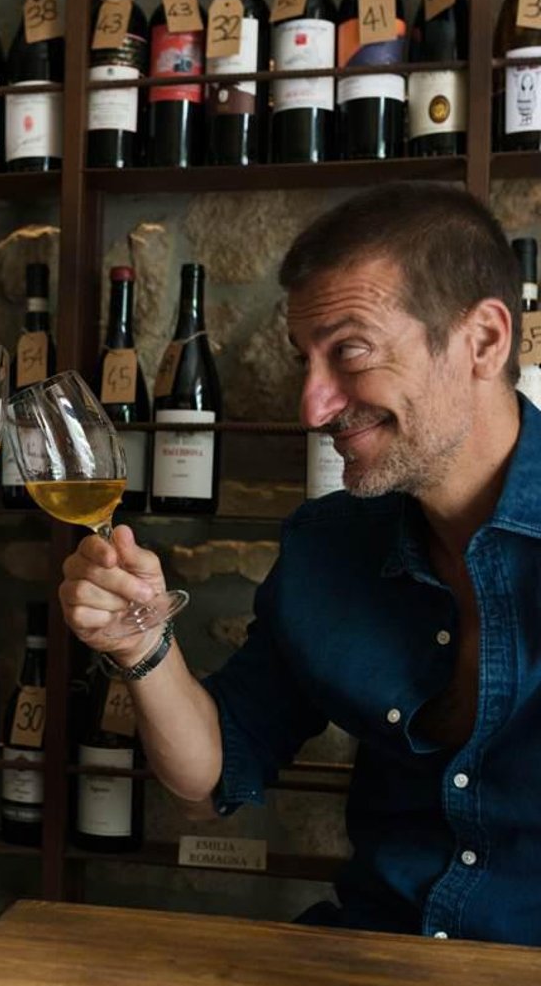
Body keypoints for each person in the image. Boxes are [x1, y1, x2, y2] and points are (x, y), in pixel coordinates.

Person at [60, 181, 541, 945]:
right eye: (304, 362)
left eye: (349, 351)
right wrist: (142, 646)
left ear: (483, 340)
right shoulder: (328, 548)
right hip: (366, 965)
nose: (313, 407)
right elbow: (211, 775)